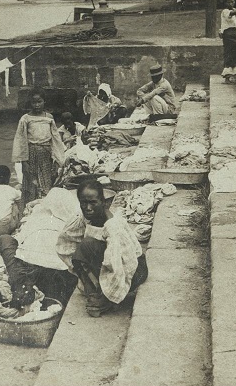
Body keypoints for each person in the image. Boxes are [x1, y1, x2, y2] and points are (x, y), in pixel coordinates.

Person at [56, 181, 148, 317]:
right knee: (82, 248)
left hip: (133, 269)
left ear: (104, 202)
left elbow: (123, 264)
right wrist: (86, 282)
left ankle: (107, 301)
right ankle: (94, 289)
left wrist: (108, 297)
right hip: (110, 261)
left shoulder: (113, 226)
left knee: (86, 244)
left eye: (93, 202)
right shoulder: (84, 219)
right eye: (83, 203)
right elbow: (66, 243)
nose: (88, 208)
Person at [11, 91, 66, 204]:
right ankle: (30, 208)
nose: (37, 105)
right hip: (31, 154)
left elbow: (55, 139)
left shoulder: (49, 118)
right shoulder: (25, 119)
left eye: (39, 102)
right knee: (31, 183)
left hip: (46, 154)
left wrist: (57, 157)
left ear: (44, 102)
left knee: (46, 181)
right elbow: (20, 140)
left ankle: (45, 206)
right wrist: (23, 161)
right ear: (30, 103)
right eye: (34, 102)